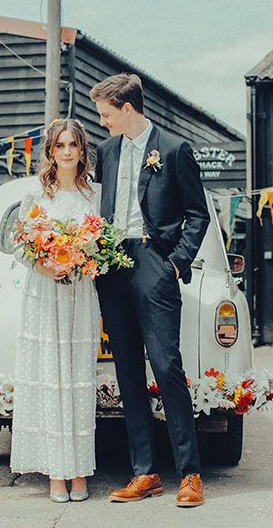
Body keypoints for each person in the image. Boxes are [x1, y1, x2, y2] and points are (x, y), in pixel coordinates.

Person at [90, 73, 210, 508]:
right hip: (111, 267)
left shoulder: (175, 150)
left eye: (106, 114)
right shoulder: (105, 152)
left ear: (127, 109)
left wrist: (175, 264)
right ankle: (145, 472)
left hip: (153, 263)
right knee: (127, 373)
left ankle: (190, 473)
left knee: (166, 366)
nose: (101, 122)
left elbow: (198, 215)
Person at [10, 118, 101, 503]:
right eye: (60, 145)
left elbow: (103, 240)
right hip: (45, 292)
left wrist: (82, 259)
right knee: (50, 379)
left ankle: (79, 471)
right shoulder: (36, 196)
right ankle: (54, 474)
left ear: (82, 151)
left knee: (78, 380)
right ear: (50, 151)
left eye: (73, 145)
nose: (66, 151)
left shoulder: (94, 195)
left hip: (80, 293)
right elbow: (20, 244)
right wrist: (45, 264)